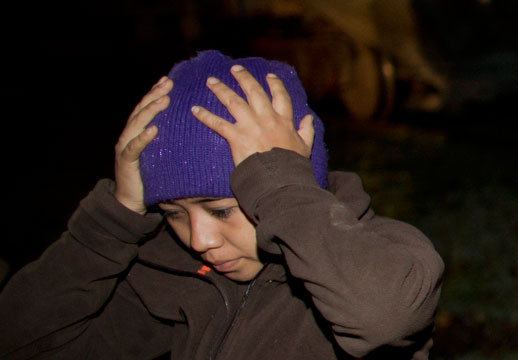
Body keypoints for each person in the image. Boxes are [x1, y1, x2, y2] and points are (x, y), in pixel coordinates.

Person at [0, 50, 443, 359]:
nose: (200, 240)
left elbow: (382, 317)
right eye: (173, 213)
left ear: (285, 180)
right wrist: (111, 222)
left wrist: (280, 184)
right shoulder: (183, 278)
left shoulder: (386, 257)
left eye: (221, 209)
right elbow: (23, 343)